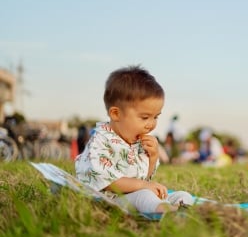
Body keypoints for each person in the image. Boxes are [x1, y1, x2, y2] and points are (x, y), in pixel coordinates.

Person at [75, 65, 194, 214]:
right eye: (144, 117)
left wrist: (153, 156)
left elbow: (145, 176)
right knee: (144, 196)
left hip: (140, 192)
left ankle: (181, 209)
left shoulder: (135, 140)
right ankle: (167, 212)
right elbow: (106, 181)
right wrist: (142, 186)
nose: (151, 124)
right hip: (111, 197)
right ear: (116, 114)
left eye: (155, 117)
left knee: (183, 195)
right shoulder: (100, 141)